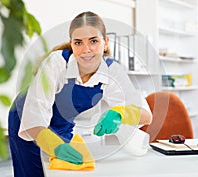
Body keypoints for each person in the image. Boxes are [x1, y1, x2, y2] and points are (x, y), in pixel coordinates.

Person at [8, 11, 152, 177]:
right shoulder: (57, 63)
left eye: (93, 41)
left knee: (65, 171)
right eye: (78, 43)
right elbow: (34, 118)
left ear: (105, 43)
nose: (86, 50)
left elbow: (146, 115)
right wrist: (54, 145)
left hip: (62, 122)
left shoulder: (112, 71)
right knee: (35, 171)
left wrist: (120, 113)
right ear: (71, 44)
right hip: (27, 116)